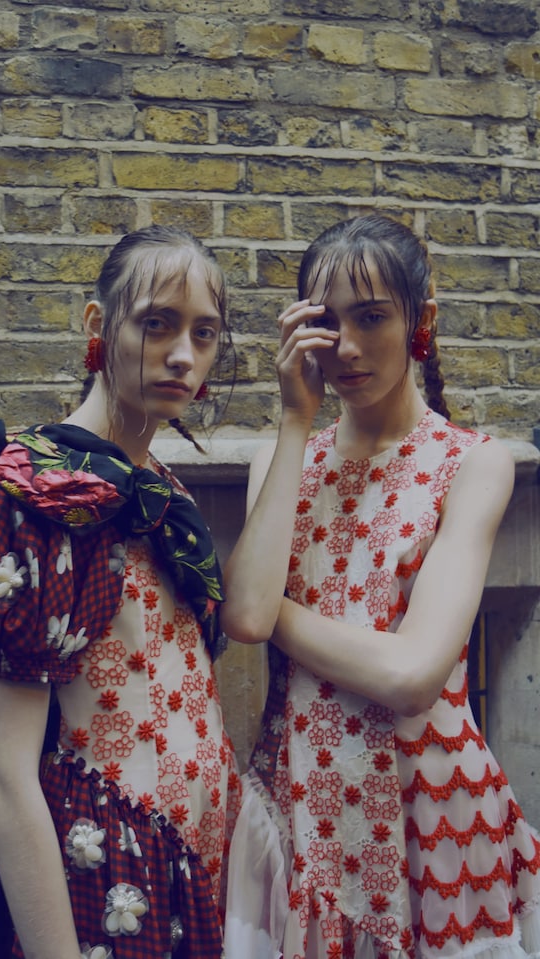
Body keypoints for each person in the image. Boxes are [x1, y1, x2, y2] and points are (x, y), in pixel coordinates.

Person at [220, 213, 540, 958]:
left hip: (431, 810)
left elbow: (413, 672)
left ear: (420, 320)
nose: (350, 348)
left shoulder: (472, 462)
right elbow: (240, 613)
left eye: (372, 317)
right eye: (328, 323)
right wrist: (294, 422)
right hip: (304, 804)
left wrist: (274, 615)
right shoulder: (278, 462)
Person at [0, 225, 241, 959]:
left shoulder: (161, 486)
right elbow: (3, 770)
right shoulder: (42, 498)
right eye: (156, 323)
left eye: (204, 333)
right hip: (99, 880)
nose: (183, 355)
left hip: (187, 869)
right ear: (99, 326)